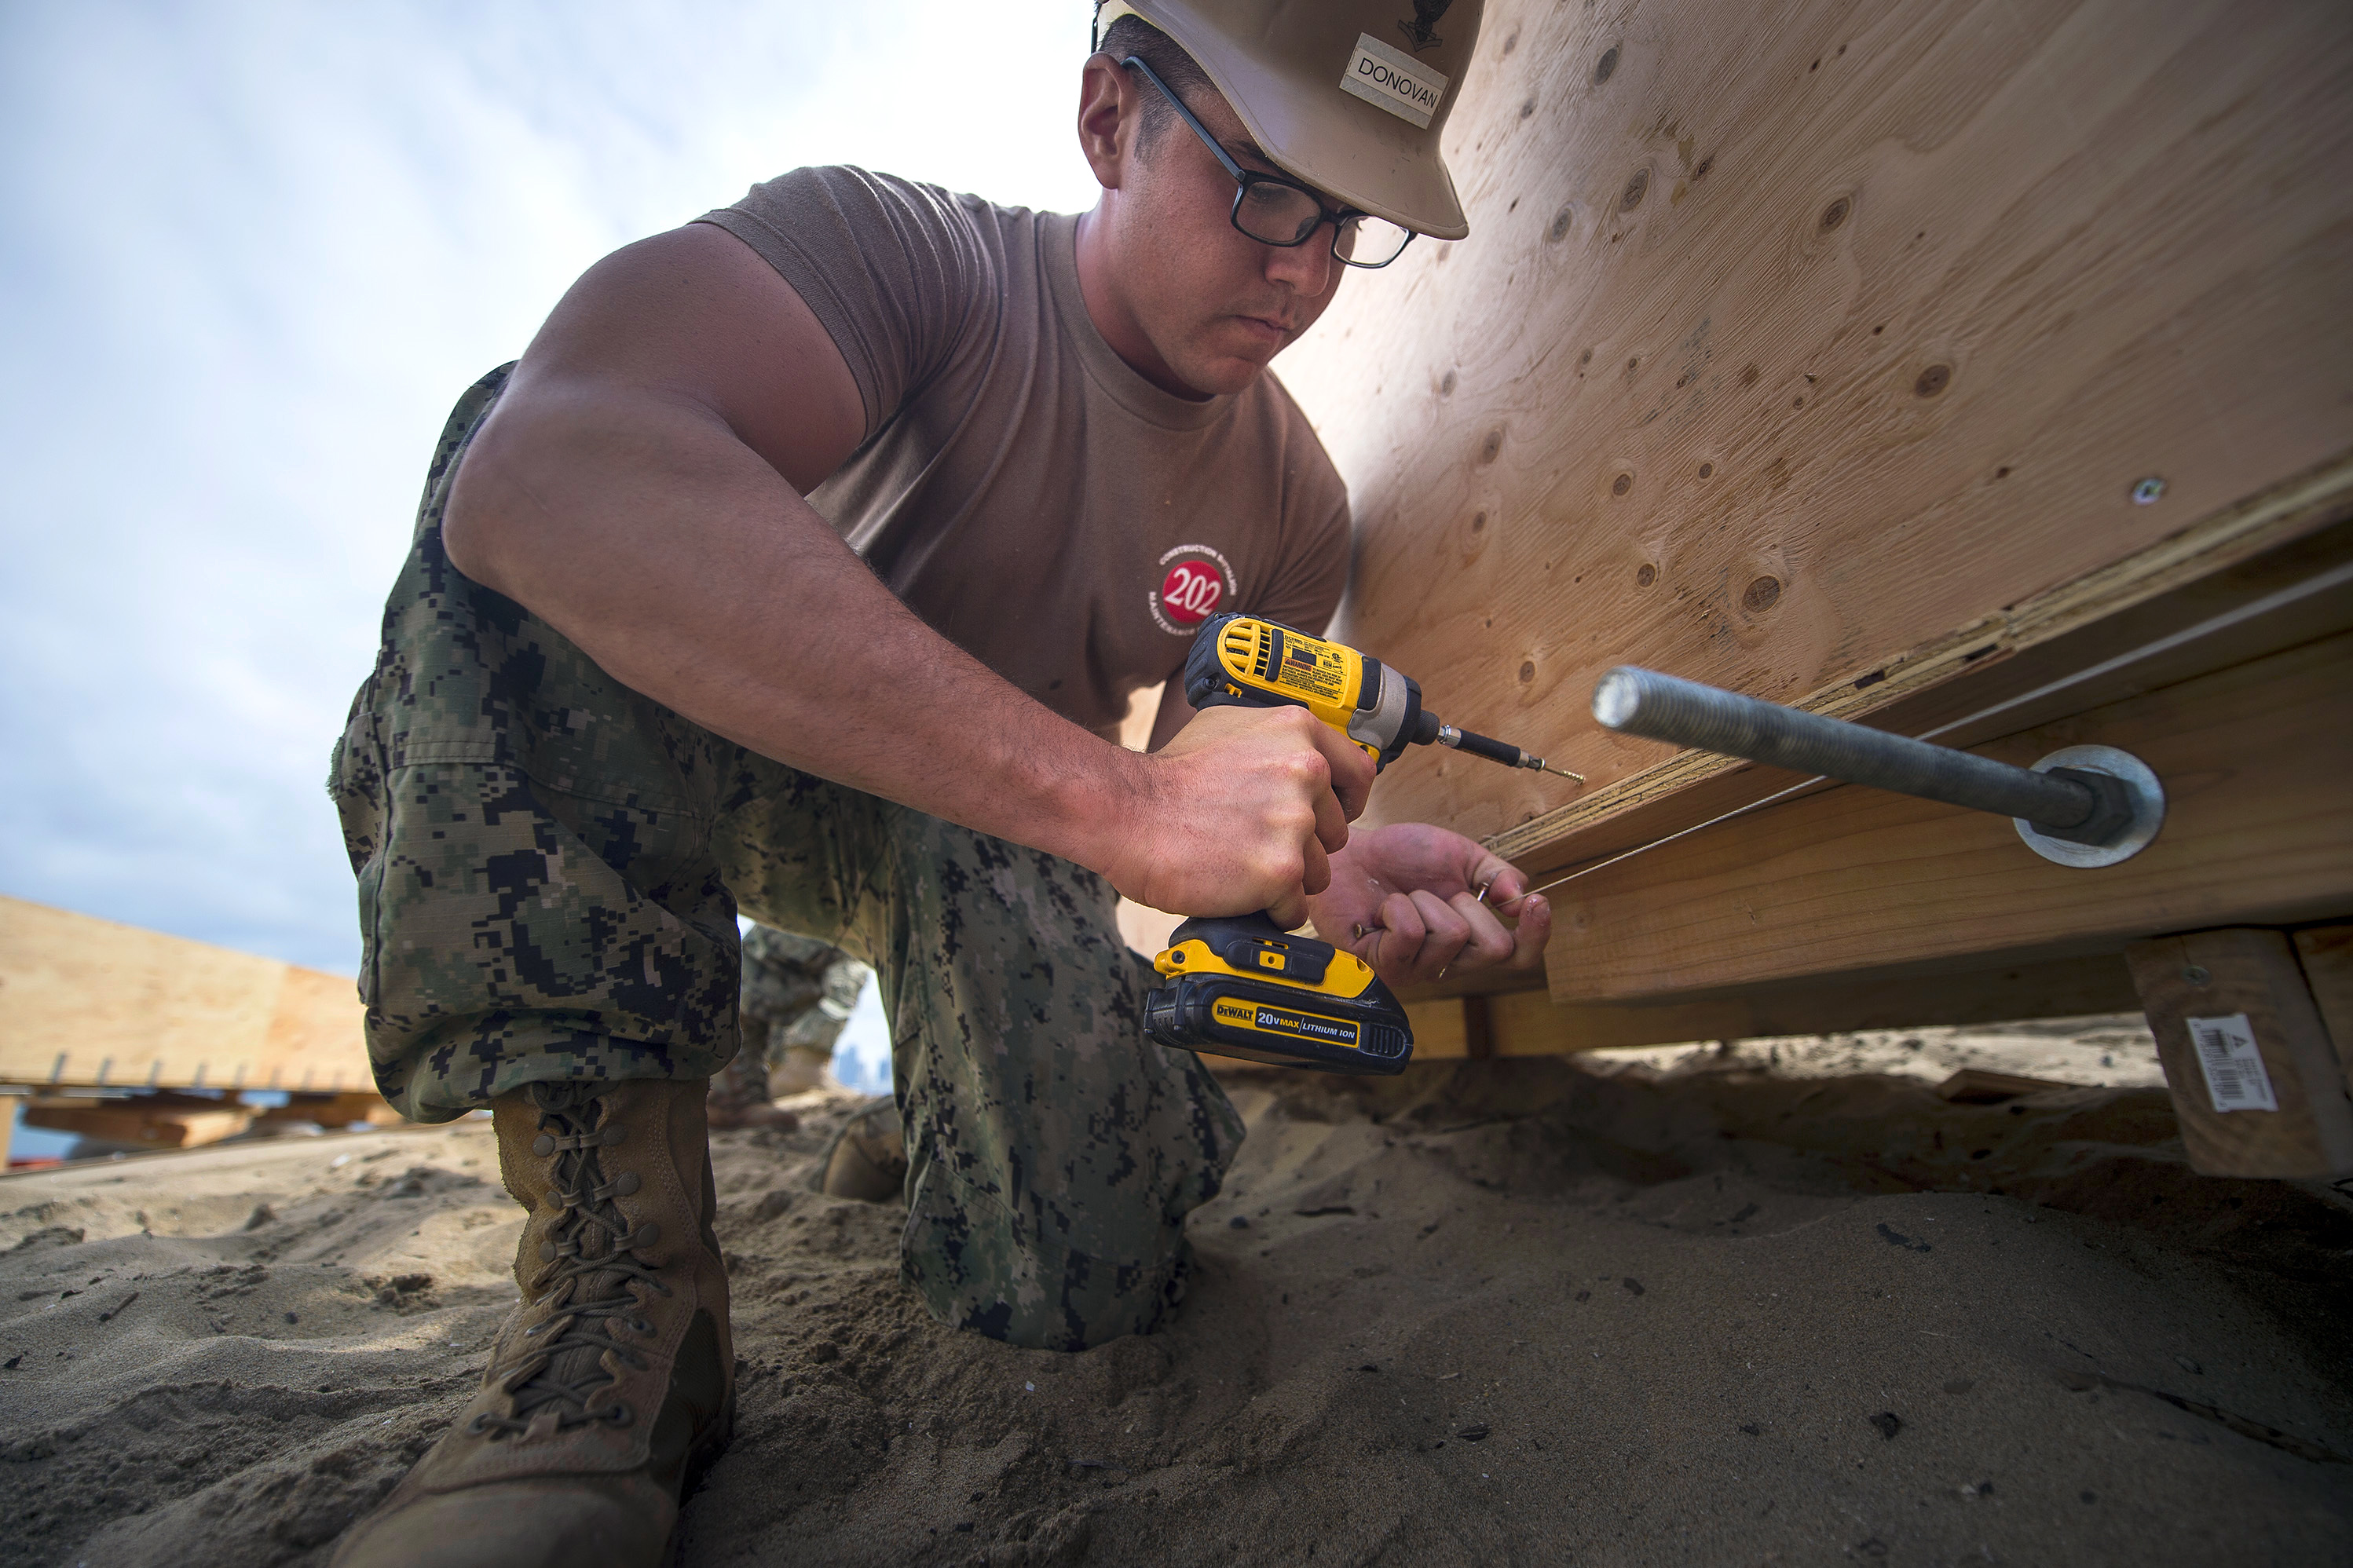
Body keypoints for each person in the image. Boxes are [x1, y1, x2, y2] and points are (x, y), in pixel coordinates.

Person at [326, 4, 1543, 1563]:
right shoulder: (901, 258)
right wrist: (1127, 804)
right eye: (1260, 190)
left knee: (1084, 1287)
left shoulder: (1294, 506)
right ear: (1110, 120)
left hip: (989, 845)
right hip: (710, 761)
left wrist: (1320, 875)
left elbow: (1187, 820)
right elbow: (550, 465)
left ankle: (927, 1109)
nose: (1300, 267)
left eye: (1345, 222)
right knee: (509, 422)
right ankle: (619, 1303)